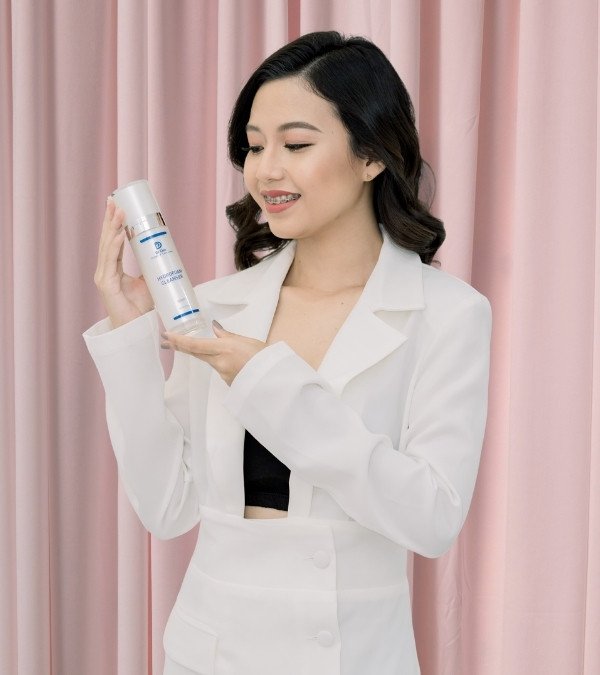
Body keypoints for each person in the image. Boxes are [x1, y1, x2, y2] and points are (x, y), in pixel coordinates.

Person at [84, 30, 492, 675]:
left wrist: (266, 382)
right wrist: (131, 342)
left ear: (371, 155)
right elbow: (167, 507)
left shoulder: (447, 313)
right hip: (208, 651)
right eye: (254, 146)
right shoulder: (215, 306)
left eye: (296, 145)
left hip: (355, 654)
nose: (265, 170)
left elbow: (432, 518)